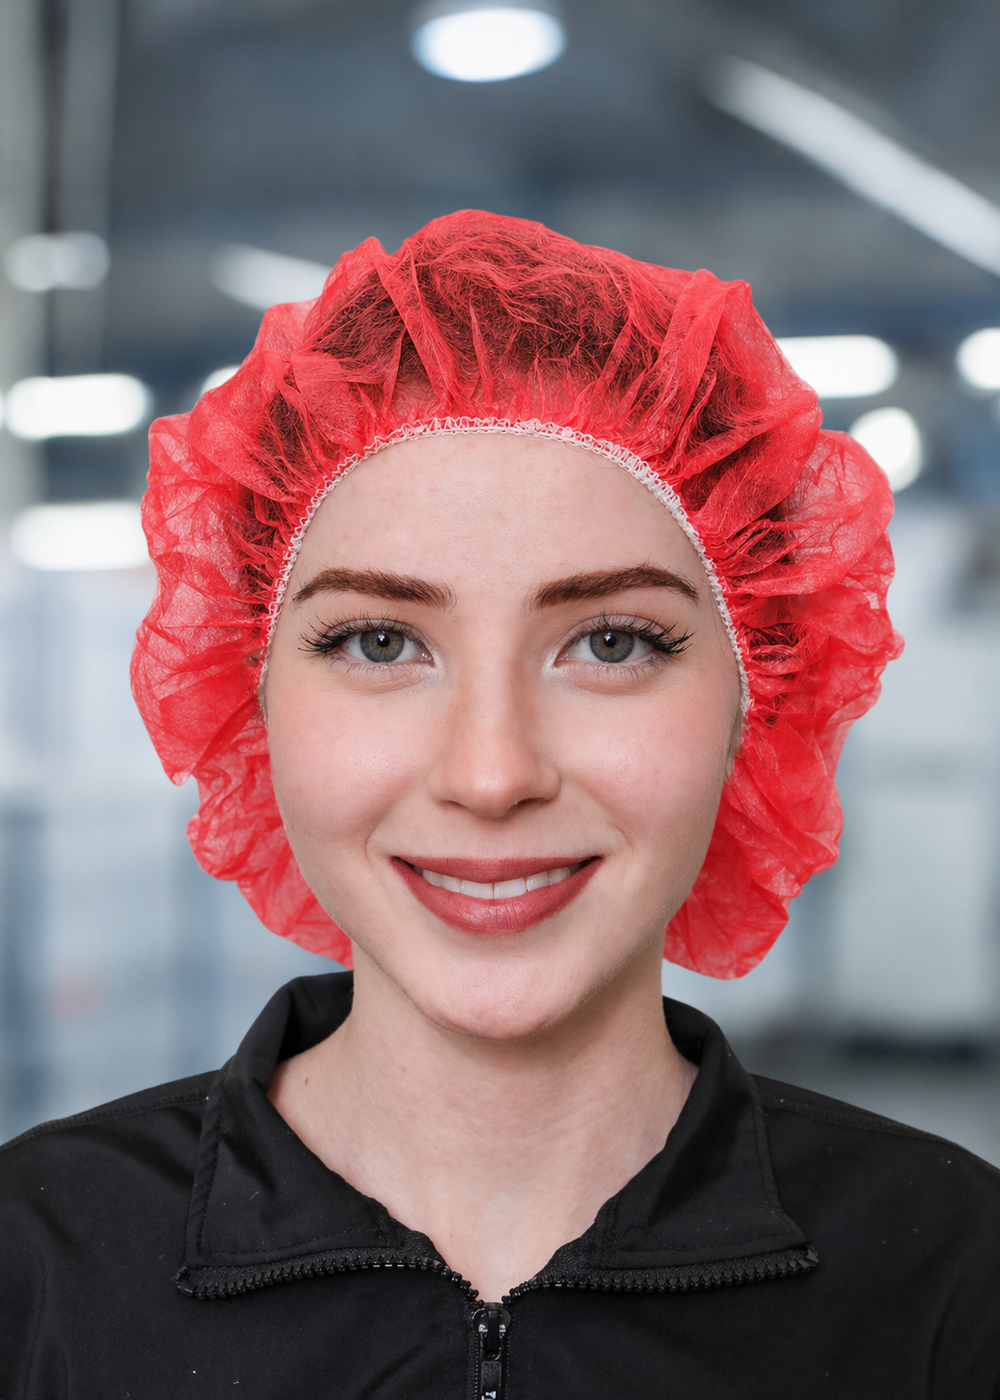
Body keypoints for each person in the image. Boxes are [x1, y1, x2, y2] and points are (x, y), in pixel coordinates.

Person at [2, 211, 997, 1397]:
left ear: (760, 691)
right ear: (250, 690)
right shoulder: (38, 1271)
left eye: (612, 641)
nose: (489, 772)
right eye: (378, 641)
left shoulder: (950, 1286)